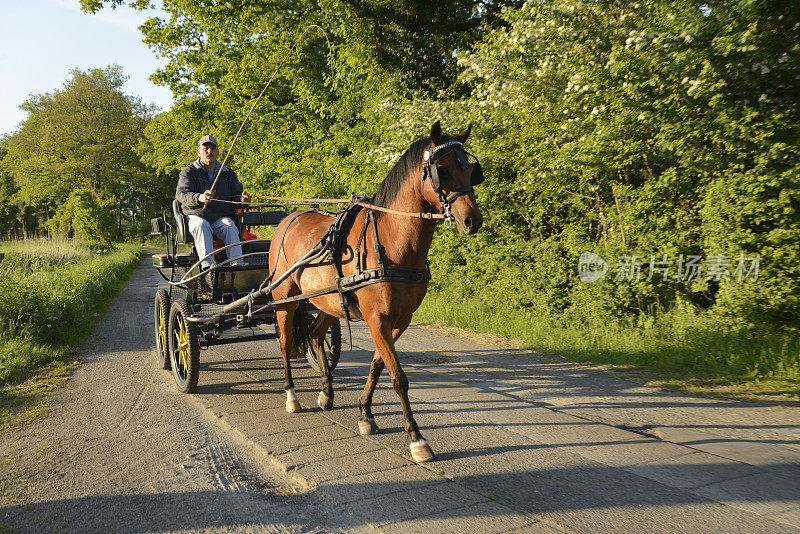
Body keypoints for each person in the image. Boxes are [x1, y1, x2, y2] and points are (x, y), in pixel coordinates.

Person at [175, 135, 251, 271]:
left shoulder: (227, 173)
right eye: (206, 148)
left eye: (213, 148)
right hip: (195, 216)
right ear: (199, 151)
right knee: (202, 226)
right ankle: (208, 270)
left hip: (219, 218)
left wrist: (243, 200)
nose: (209, 151)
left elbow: (237, 196)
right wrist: (199, 198)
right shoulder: (188, 172)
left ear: (217, 152)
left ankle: (237, 268)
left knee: (230, 227)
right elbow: (181, 195)